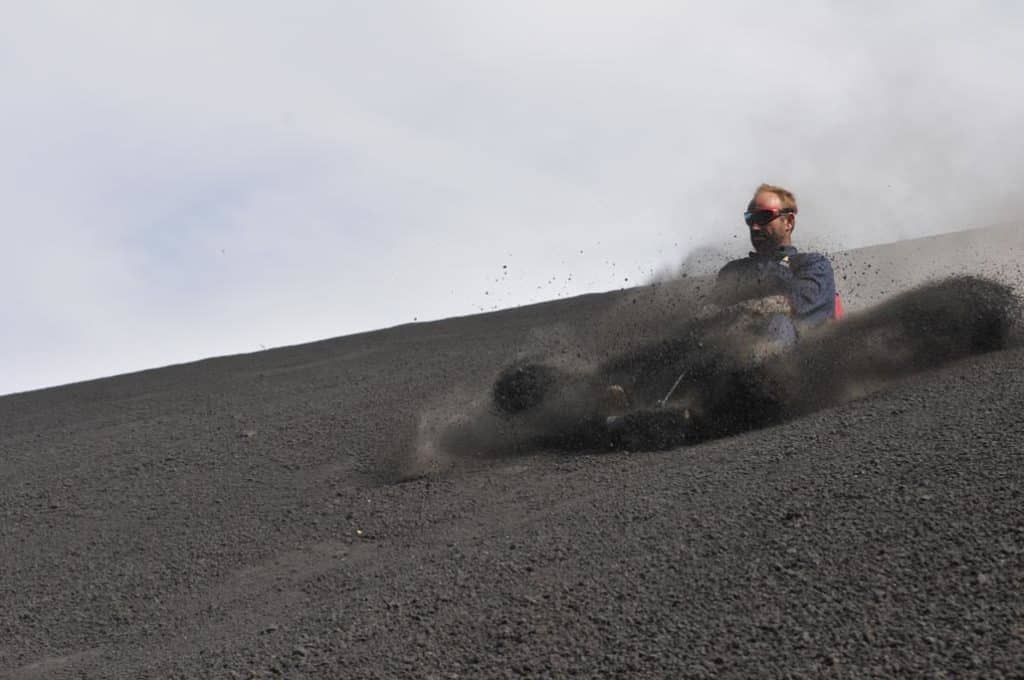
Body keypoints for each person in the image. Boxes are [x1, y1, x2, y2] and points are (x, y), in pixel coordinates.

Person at [711, 183, 838, 345]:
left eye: (764, 217)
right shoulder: (733, 271)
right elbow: (710, 313)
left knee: (777, 322)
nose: (755, 227)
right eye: (750, 219)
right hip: (728, 354)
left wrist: (744, 311)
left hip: (794, 359)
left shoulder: (811, 264)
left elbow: (795, 303)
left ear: (789, 222)